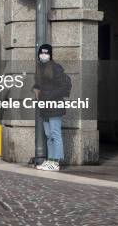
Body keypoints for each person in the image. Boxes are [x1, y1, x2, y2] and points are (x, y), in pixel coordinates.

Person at [33, 44, 71, 172]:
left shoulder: (56, 67)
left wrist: (50, 96)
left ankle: (56, 162)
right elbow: (38, 85)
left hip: (54, 105)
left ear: (50, 54)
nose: (43, 55)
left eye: (46, 53)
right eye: (41, 53)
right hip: (44, 106)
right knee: (48, 135)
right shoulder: (39, 68)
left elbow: (63, 86)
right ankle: (50, 160)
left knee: (55, 133)